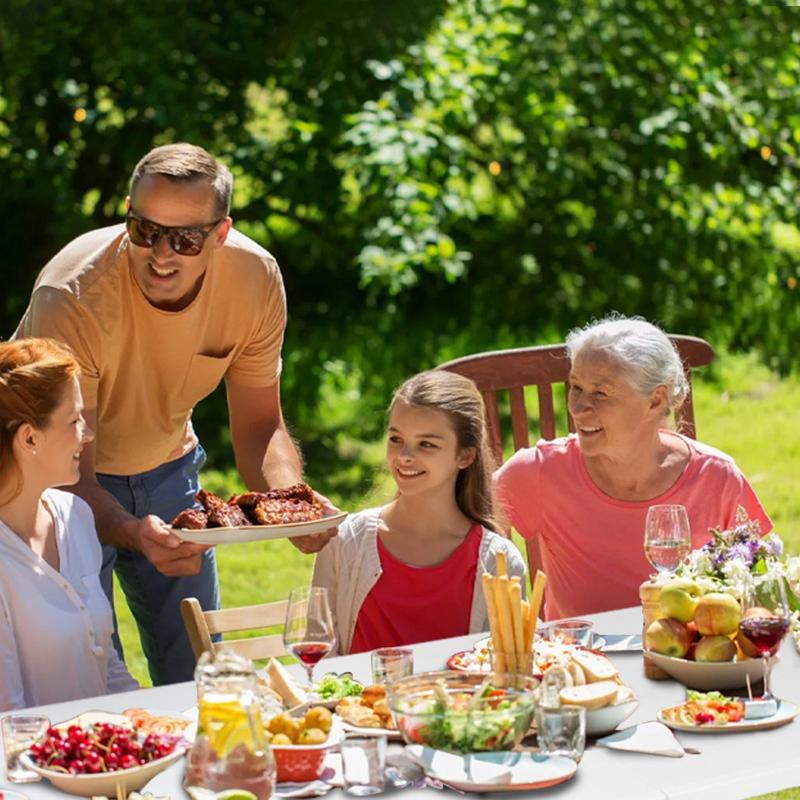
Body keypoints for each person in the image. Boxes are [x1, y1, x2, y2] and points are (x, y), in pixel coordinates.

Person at [13, 143, 335, 686]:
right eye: (145, 231)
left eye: (186, 239)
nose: (162, 254)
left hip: (166, 468)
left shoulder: (254, 280)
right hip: (50, 484)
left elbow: (259, 426)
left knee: (199, 673)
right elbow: (68, 470)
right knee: (86, 677)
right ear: (128, 216)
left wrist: (290, 505)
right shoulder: (72, 296)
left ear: (221, 233)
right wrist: (132, 531)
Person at [494, 315, 772, 620]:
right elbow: (454, 526)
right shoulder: (541, 472)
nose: (577, 407)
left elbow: (764, 590)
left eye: (600, 393)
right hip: (579, 661)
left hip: (685, 661)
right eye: (575, 387)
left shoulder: (716, 479)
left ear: (655, 400)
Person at [313, 370, 526, 655]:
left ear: (465, 456)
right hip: (357, 700)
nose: (404, 456)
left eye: (426, 444)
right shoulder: (343, 541)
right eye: (396, 439)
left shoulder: (498, 562)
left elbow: (512, 667)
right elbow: (319, 655)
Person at [0, 338, 139, 710]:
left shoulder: (75, 514)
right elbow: (9, 722)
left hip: (103, 756)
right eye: (75, 420)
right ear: (30, 437)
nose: (88, 434)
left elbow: (106, 665)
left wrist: (153, 723)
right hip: (36, 764)